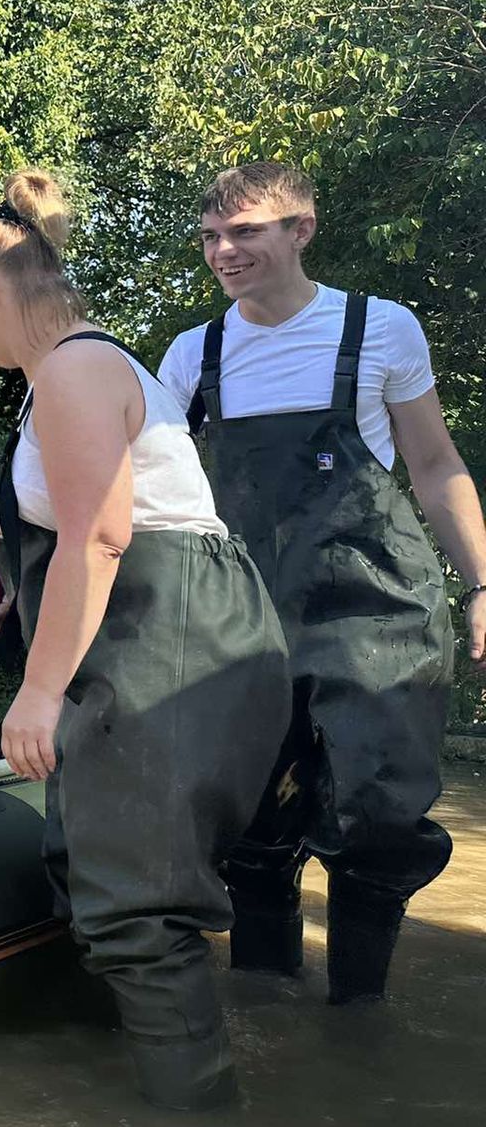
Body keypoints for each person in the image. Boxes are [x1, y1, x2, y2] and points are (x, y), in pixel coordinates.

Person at [0, 170, 289, 1109]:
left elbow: (103, 535)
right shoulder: (74, 372)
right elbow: (90, 536)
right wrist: (17, 610)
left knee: (138, 912)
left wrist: (38, 692)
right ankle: (113, 1111)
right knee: (96, 881)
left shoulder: (73, 368)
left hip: (176, 642)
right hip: (163, 630)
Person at [159, 162, 486, 1003]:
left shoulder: (381, 330)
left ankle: (358, 1022)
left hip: (377, 612)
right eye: (210, 237)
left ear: (300, 231)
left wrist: (483, 583)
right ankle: (269, 1009)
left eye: (245, 233)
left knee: (376, 821)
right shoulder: (196, 353)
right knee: (251, 826)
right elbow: (148, 491)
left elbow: (436, 464)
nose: (223, 251)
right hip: (244, 625)